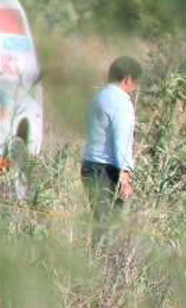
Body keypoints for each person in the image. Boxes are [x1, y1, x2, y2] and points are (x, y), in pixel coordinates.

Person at [81, 56, 141, 247]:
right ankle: (103, 267)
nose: (135, 88)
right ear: (127, 79)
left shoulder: (98, 98)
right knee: (110, 226)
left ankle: (96, 261)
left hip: (89, 166)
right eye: (135, 83)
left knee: (100, 221)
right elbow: (121, 140)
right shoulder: (121, 103)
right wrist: (125, 176)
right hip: (107, 170)